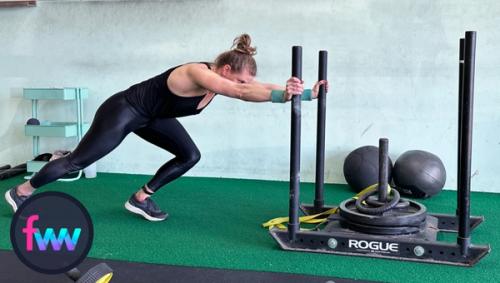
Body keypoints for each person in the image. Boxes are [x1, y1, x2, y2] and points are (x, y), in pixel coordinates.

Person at [5, 34, 328, 221]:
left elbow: (252, 87)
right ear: (226, 69)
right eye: (241, 78)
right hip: (124, 110)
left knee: (189, 154)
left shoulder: (222, 82)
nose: (246, 84)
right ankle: (21, 192)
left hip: (152, 117)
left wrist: (305, 93)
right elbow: (244, 92)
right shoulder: (197, 73)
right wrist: (279, 95)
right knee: (79, 160)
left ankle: (140, 198)